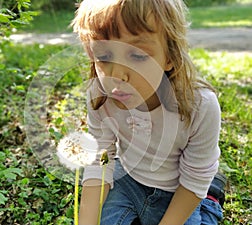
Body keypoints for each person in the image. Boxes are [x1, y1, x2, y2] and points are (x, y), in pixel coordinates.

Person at [71, 0, 226, 224]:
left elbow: (194, 178)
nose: (119, 76)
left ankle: (211, 197)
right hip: (128, 182)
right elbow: (99, 161)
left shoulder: (200, 106)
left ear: (171, 56)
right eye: (104, 57)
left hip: (179, 190)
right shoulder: (100, 97)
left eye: (138, 56)